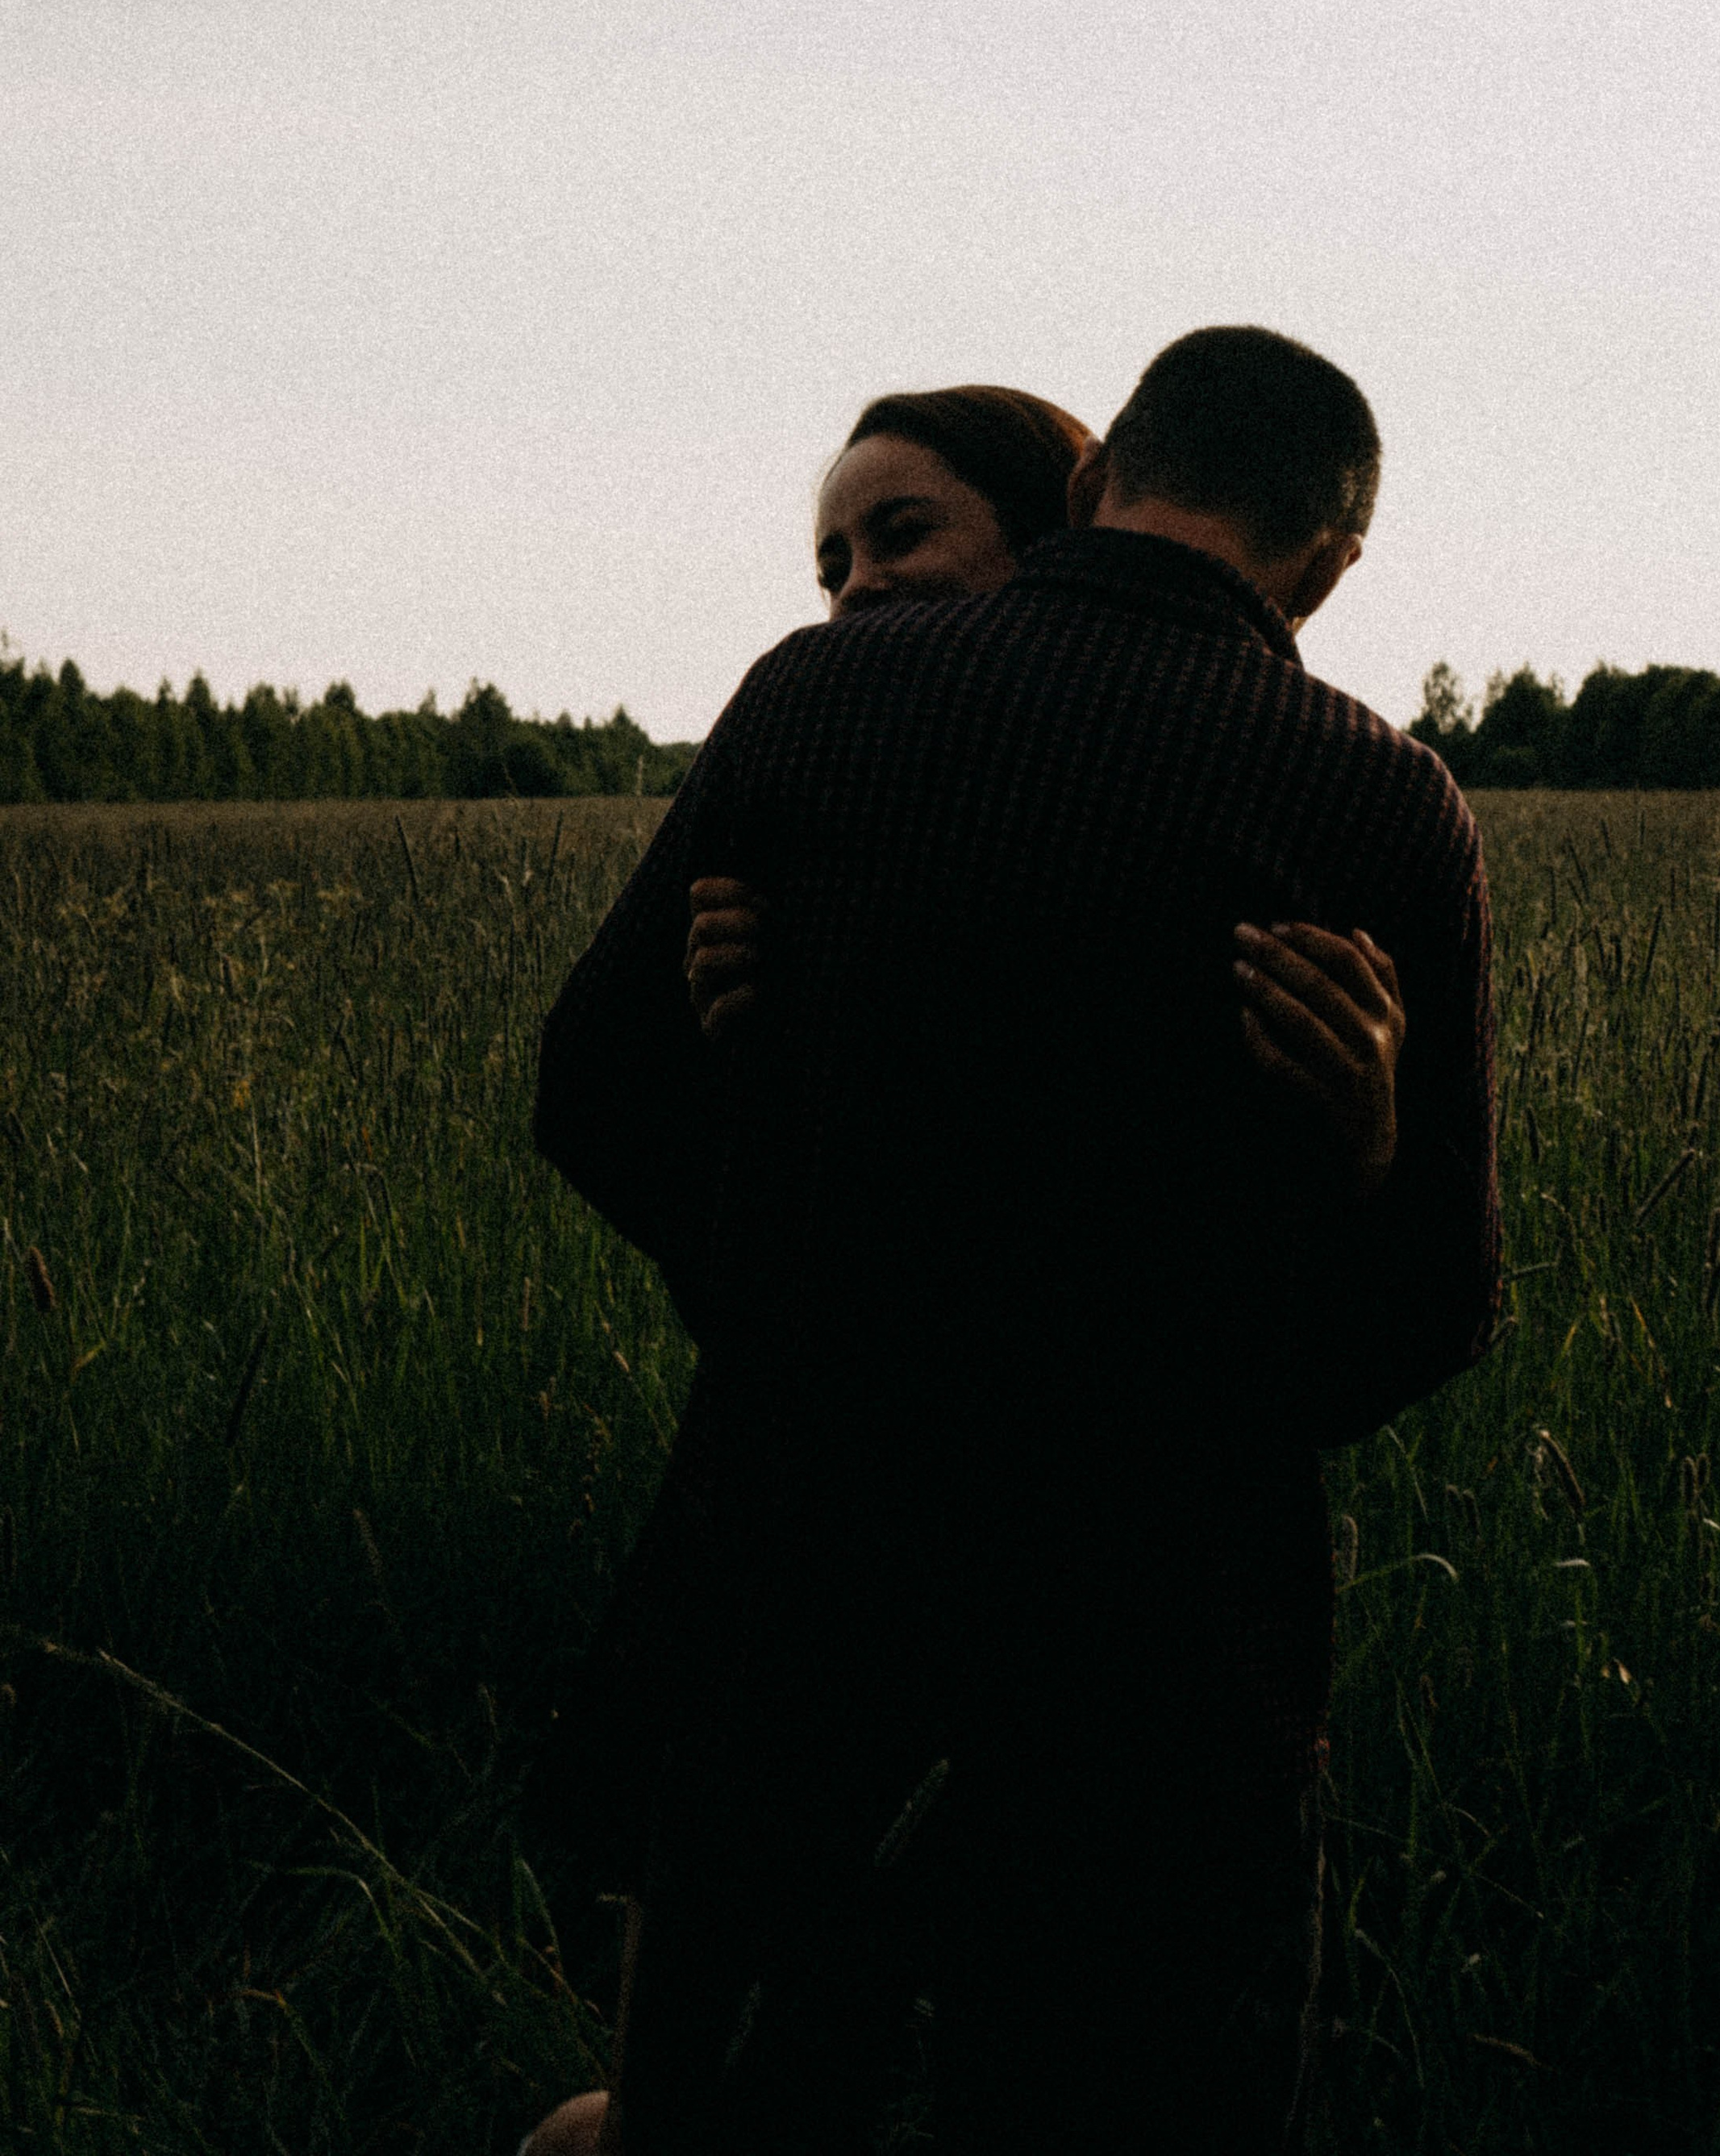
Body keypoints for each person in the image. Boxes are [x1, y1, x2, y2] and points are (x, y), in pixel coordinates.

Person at [531, 331, 1497, 2154]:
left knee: (720, 2088)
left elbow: (589, 1095)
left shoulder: (813, 706)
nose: (856, 593)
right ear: (1329, 562)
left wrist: (770, 1289)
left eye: (892, 541)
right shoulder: (1379, 802)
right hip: (1166, 1619)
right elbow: (1429, 1314)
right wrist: (1351, 1168)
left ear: (1090, 477)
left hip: (795, 1543)